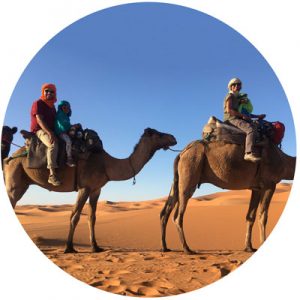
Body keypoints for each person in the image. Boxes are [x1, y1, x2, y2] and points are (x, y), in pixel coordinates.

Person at [223, 78, 266, 162]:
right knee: (251, 129)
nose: (236, 86)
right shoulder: (230, 96)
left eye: (238, 85)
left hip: (236, 118)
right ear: (230, 87)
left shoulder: (237, 99)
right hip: (231, 119)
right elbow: (229, 110)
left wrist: (258, 116)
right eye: (234, 85)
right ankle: (248, 153)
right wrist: (242, 115)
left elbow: (245, 114)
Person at [30, 83, 61, 186]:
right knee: (53, 144)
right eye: (46, 91)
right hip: (39, 130)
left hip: (51, 130)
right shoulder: (38, 103)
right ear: (43, 92)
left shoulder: (52, 107)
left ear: (54, 94)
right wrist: (50, 132)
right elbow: (39, 119)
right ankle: (52, 175)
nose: (49, 93)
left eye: (51, 91)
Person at [54, 100, 76, 167]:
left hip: (65, 132)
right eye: (64, 107)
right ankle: (69, 158)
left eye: (67, 108)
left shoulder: (66, 117)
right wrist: (72, 127)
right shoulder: (60, 115)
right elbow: (63, 125)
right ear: (61, 108)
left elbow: (67, 125)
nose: (66, 109)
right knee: (68, 141)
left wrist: (73, 126)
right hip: (60, 132)